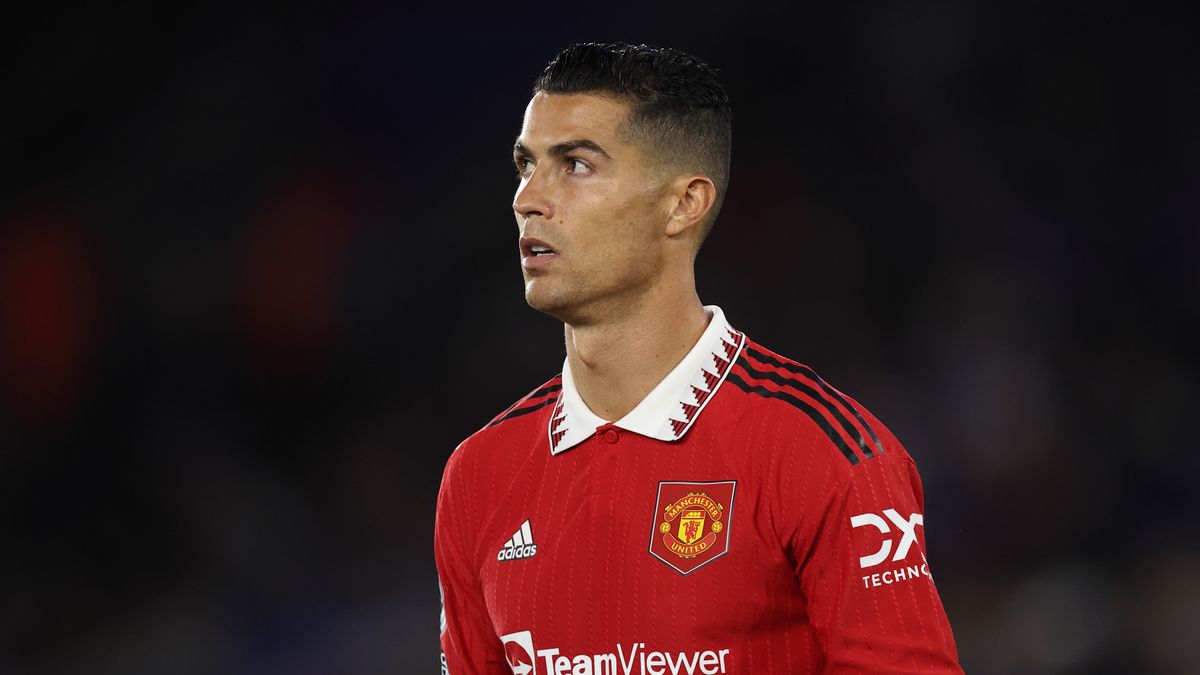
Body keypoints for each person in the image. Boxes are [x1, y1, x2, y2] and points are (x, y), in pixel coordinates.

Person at [435, 42, 962, 674]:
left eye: (575, 165)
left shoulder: (823, 455)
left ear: (684, 203)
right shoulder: (478, 475)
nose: (529, 197)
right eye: (526, 165)